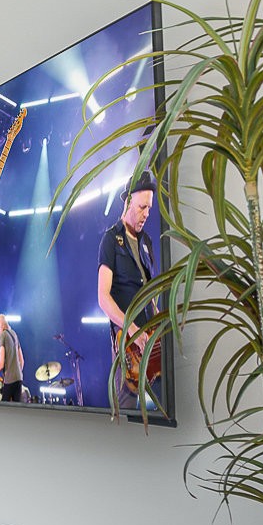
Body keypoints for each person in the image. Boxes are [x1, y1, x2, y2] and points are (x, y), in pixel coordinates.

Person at [97, 171, 158, 403]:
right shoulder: (110, 240)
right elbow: (103, 298)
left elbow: (150, 293)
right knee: (128, 412)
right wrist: (133, 329)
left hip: (151, 345)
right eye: (142, 207)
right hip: (127, 347)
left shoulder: (147, 242)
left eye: (150, 208)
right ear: (128, 201)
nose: (146, 214)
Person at [0, 314, 26, 402]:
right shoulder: (14, 334)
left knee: (4, 409)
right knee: (16, 409)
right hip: (19, 378)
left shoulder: (3, 336)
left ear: (0, 327)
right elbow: (22, 361)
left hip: (10, 379)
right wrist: (18, 372)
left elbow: (1, 364)